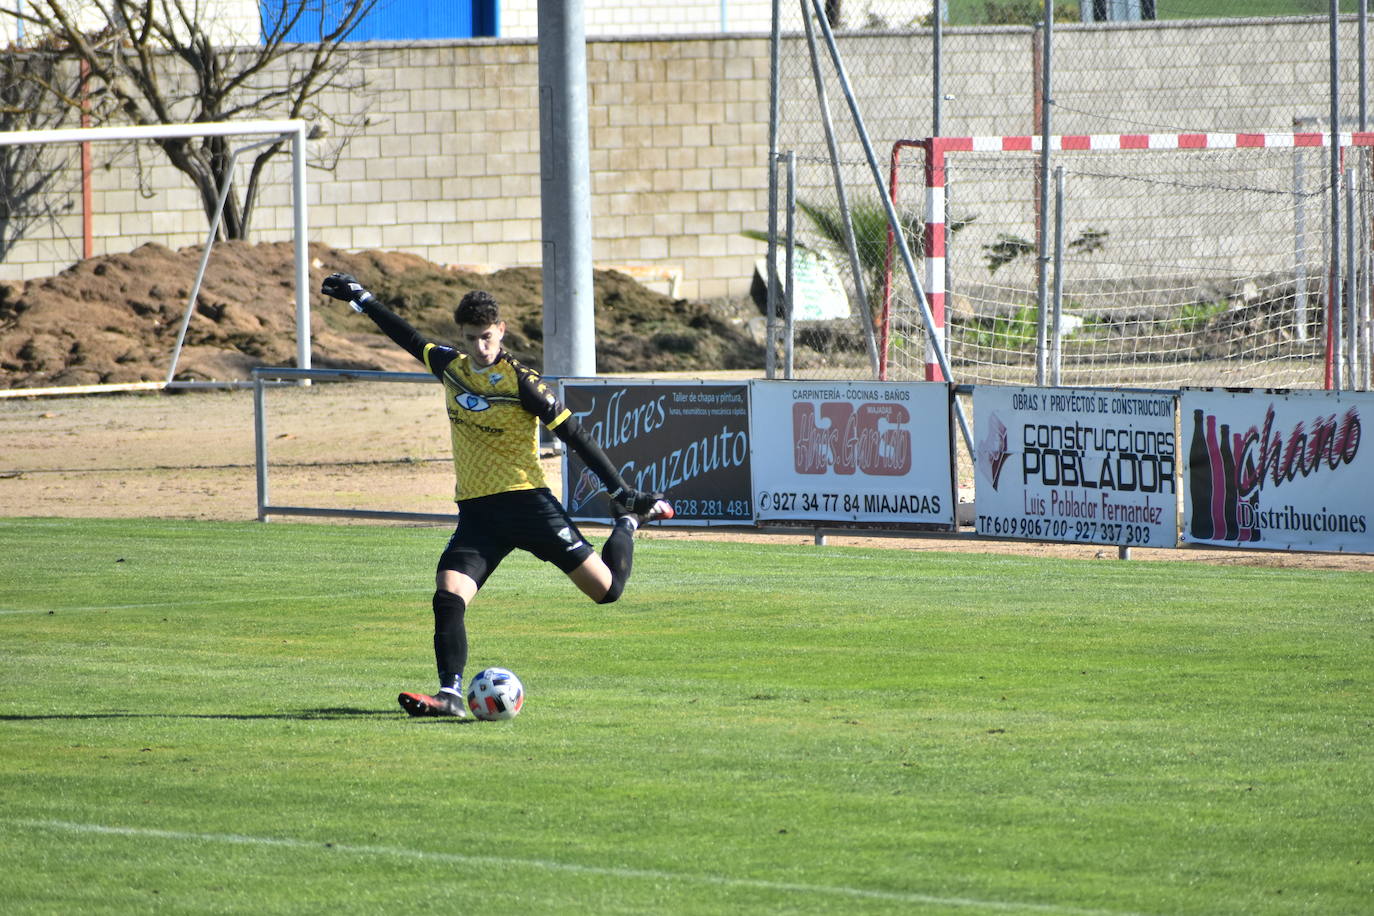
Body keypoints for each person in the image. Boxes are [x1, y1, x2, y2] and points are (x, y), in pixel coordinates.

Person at [321, 272, 674, 718]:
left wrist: (622, 492)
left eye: (487, 337)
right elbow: (407, 336)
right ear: (462, 336)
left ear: (501, 331)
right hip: (478, 513)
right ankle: (449, 695)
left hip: (528, 503)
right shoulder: (450, 366)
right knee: (448, 593)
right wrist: (363, 299)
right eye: (472, 338)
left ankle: (625, 520)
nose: (481, 347)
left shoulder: (521, 381)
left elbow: (576, 434)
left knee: (607, 592)